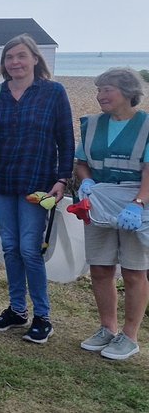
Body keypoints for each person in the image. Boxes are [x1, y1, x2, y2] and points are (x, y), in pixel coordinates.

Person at [0, 34, 73, 344]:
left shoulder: (53, 92)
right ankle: (17, 310)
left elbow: (66, 140)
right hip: (2, 181)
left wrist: (62, 178)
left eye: (21, 56)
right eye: (9, 57)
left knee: (30, 250)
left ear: (34, 59)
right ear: (4, 64)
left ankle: (42, 316)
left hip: (38, 183)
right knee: (10, 248)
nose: (15, 61)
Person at [73, 67, 148, 360]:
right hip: (100, 201)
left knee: (134, 271)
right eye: (98, 89)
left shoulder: (146, 125)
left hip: (135, 203)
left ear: (129, 92)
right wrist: (87, 180)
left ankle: (129, 336)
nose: (100, 95)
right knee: (101, 268)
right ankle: (107, 328)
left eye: (107, 89)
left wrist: (139, 203)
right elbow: (81, 161)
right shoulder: (92, 124)